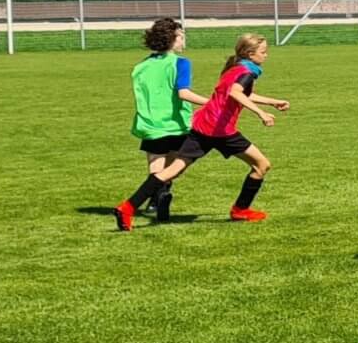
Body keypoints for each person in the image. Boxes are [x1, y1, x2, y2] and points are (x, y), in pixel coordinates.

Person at [121, 33, 288, 227]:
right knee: (262, 165)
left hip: (202, 126)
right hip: (221, 130)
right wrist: (261, 113)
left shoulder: (234, 68)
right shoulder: (246, 73)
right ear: (250, 54)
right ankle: (240, 210)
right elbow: (236, 93)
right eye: (263, 52)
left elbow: (241, 93)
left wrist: (273, 102)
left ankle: (127, 208)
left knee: (172, 170)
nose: (266, 55)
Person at [113, 18, 209, 229]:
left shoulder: (140, 67)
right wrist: (211, 103)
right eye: (181, 36)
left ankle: (155, 202)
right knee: (173, 169)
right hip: (176, 124)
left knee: (156, 170)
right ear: (171, 40)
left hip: (150, 124)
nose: (184, 40)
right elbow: (183, 93)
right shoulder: (180, 63)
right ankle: (159, 198)